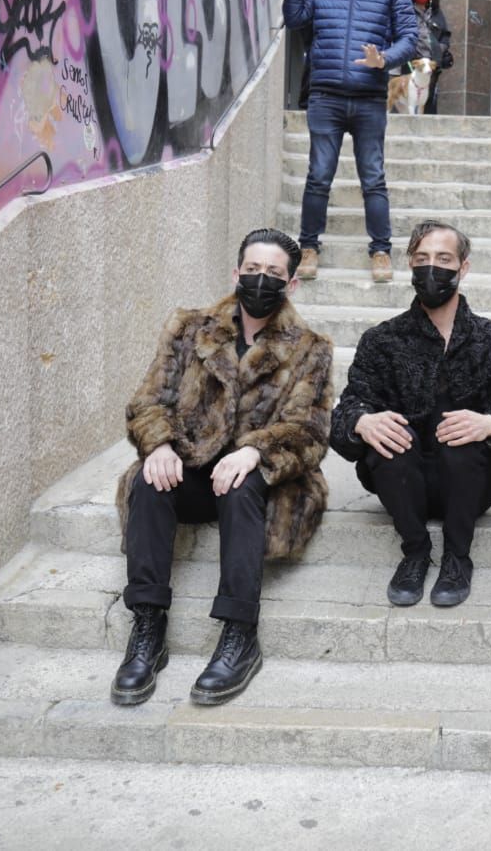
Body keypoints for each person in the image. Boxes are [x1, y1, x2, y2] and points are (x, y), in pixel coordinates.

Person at [111, 229, 334, 707]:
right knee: (149, 480)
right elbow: (149, 400)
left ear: (291, 284)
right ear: (236, 273)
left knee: (242, 485)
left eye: (273, 274)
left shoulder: (310, 348)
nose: (261, 280)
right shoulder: (190, 328)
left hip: (261, 484)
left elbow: (310, 431)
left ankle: (239, 634)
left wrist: (255, 451)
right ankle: (148, 628)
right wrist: (160, 445)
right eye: (253, 270)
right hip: (193, 464)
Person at [330, 221, 491, 608]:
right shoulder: (381, 340)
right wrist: (362, 421)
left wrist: (490, 423)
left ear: (463, 268)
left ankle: (457, 557)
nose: (432, 269)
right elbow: (346, 411)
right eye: (421, 259)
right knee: (391, 437)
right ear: (410, 267)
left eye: (443, 259)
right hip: (403, 484)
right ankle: (415, 552)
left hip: (468, 484)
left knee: (461, 436)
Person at [284, 0, 418, 284]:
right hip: (325, 95)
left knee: (373, 178)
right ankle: (308, 247)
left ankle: (380, 251)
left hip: (369, 99)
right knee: (318, 177)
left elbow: (409, 38)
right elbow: (294, 18)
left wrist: (386, 59)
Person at [405, 0, 452, 114]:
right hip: (412, 61)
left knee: (429, 97)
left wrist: (441, 48)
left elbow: (445, 34)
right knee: (410, 97)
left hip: (432, 63)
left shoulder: (436, 12)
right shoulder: (406, 11)